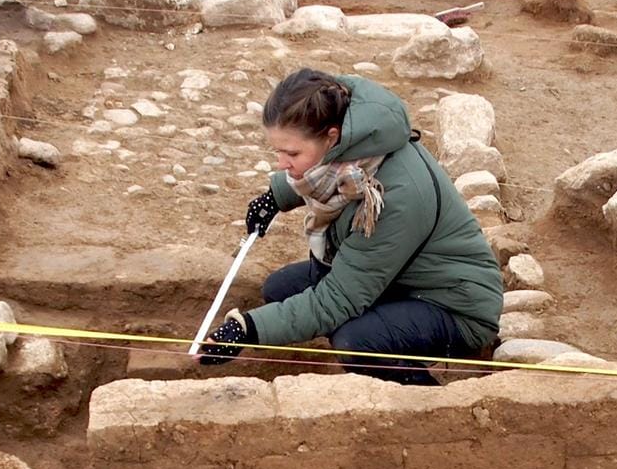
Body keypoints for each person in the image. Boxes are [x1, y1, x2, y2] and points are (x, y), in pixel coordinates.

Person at [200, 69, 504, 385]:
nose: (281, 163)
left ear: (332, 137)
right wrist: (275, 197)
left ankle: (423, 397)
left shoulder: (392, 196)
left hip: (453, 304)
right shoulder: (357, 140)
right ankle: (379, 322)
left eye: (291, 153)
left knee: (356, 340)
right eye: (278, 150)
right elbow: (323, 175)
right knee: (278, 289)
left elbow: (339, 298)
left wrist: (248, 328)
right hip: (399, 278)